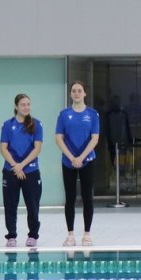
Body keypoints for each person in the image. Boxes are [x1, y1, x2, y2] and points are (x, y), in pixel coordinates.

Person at [55, 82, 101, 247]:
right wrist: (72, 157)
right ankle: (70, 234)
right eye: (73, 91)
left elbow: (94, 138)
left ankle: (87, 234)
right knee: (70, 197)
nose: (76, 93)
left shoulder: (93, 114)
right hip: (68, 161)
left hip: (87, 160)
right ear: (70, 94)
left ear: (84, 94)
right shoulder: (63, 114)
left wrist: (81, 157)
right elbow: (58, 138)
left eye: (79, 91)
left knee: (87, 197)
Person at [0, 94, 44, 249]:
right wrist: (15, 166)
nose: (26, 107)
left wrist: (21, 165)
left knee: (32, 205)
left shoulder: (36, 124)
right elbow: (3, 148)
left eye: (28, 104)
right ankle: (11, 236)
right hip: (10, 171)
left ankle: (33, 235)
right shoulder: (7, 125)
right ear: (16, 106)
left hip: (30, 171)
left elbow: (37, 148)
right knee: (10, 205)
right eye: (23, 104)